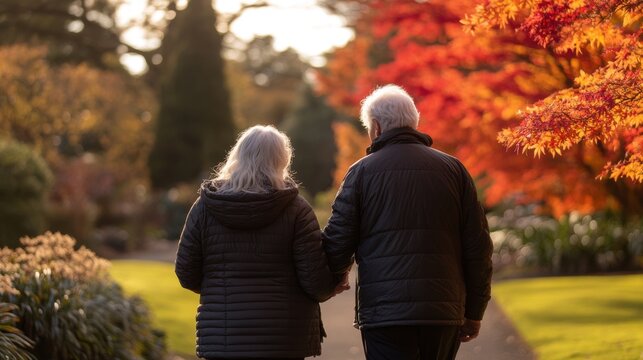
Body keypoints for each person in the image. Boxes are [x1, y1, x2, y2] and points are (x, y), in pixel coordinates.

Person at [322, 85, 493, 359]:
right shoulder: (454, 170)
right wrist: (474, 311)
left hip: (384, 312)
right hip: (443, 310)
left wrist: (328, 281)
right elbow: (478, 247)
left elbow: (338, 240)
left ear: (376, 127)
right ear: (413, 122)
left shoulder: (361, 172)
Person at [175, 125, 347, 360]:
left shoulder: (205, 208)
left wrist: (219, 288)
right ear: (282, 160)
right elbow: (314, 281)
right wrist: (334, 282)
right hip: (283, 340)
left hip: (224, 339)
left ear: (237, 156)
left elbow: (186, 272)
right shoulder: (297, 210)